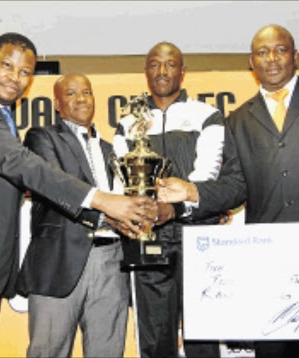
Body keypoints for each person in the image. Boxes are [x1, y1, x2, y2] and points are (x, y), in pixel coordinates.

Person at [0, 33, 156, 358]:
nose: (16, 77)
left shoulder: (3, 119)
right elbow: (18, 162)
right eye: (8, 65)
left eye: (25, 72)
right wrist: (103, 201)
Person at [158, 24, 299, 358]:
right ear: (251, 62)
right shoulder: (236, 120)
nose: (272, 59)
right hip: (269, 266)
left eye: (280, 49)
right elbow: (236, 186)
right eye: (263, 52)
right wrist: (192, 191)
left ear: (295, 56)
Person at [113, 41, 225, 358]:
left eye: (170, 64)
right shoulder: (127, 122)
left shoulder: (207, 115)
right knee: (154, 339)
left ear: (182, 71)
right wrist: (142, 211)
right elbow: (123, 182)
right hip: (149, 236)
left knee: (203, 335)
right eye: (154, 64)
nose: (162, 71)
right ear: (146, 71)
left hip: (198, 234)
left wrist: (173, 209)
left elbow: (207, 176)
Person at [16, 74, 130, 357]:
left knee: (108, 351)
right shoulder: (42, 138)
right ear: (57, 103)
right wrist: (106, 218)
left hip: (112, 261)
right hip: (59, 260)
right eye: (71, 93)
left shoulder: (112, 150)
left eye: (87, 92)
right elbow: (57, 187)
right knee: (49, 351)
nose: (81, 98)